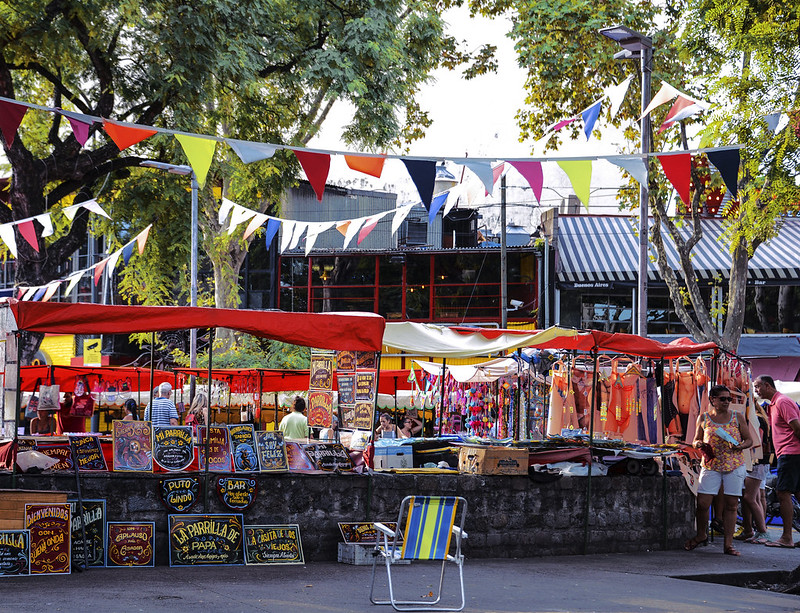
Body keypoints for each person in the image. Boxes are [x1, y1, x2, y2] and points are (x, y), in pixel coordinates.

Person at [685, 384, 752, 556]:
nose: (727, 402)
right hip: (711, 464)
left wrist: (739, 446)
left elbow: (749, 440)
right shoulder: (704, 418)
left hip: (734, 464)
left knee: (731, 505)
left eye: (729, 399)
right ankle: (701, 534)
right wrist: (698, 445)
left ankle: (728, 545)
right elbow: (695, 440)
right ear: (712, 400)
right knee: (702, 503)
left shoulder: (737, 417)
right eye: (723, 399)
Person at [754, 375, 800, 548]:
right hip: (788, 454)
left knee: (783, 493)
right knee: (796, 493)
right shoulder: (774, 403)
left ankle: (787, 537)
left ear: (767, 385)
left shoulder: (782, 402)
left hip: (791, 453)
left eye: (758, 387)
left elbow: (797, 427)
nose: (756, 390)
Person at [735, 408, 771, 543]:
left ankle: (763, 531)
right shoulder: (757, 418)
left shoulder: (756, 419)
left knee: (750, 497)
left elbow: (757, 442)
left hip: (757, 462)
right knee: (752, 497)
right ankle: (751, 530)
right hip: (755, 462)